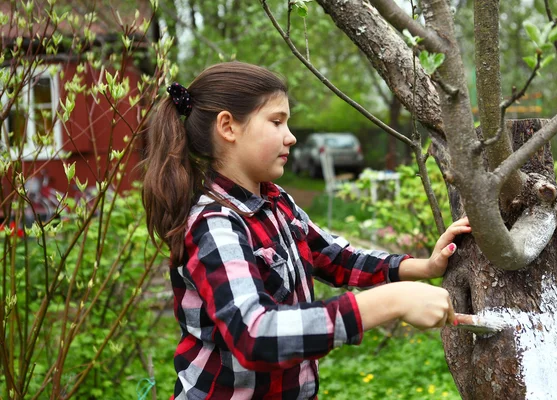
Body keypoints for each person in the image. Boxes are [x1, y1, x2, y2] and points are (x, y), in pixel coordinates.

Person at [142, 61, 471, 400]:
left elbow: (336, 257)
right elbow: (255, 335)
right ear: (228, 126)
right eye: (276, 121)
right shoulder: (214, 223)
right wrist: (390, 302)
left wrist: (424, 267)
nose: (291, 136)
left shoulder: (275, 201)